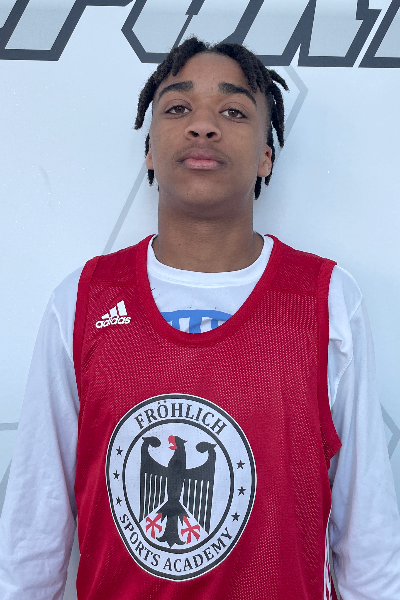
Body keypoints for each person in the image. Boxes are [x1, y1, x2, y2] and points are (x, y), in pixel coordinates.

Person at [0, 37, 399, 600]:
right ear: (149, 150)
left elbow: (368, 532)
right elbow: (34, 526)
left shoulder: (327, 299)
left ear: (266, 156)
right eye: (178, 107)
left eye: (233, 111)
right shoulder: (83, 300)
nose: (203, 126)